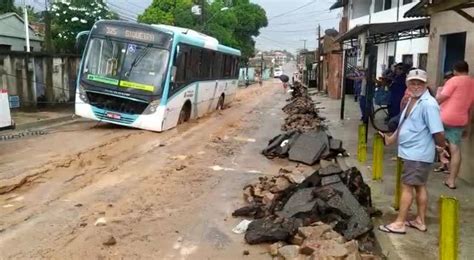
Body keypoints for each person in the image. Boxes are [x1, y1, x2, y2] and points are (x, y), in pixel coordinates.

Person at [378, 69, 448, 234]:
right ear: (407, 83)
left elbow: (438, 131)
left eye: (420, 83)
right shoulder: (412, 100)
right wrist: (391, 139)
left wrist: (442, 148)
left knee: (408, 187)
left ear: (425, 84)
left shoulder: (429, 104)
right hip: (411, 152)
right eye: (413, 82)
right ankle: (420, 220)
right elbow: (404, 123)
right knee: (419, 186)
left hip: (418, 153)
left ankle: (400, 223)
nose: (416, 86)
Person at [436, 61, 474, 189]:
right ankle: (451, 181)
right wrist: (468, 125)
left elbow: (441, 98)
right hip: (460, 120)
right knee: (455, 149)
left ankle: (440, 159)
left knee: (432, 138)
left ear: (455, 70)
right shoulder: (472, 83)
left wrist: (435, 97)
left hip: (444, 116)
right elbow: (471, 108)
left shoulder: (454, 80)